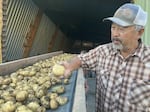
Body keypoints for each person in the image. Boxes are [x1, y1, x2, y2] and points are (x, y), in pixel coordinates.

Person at [63, 3, 150, 112]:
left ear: (139, 32)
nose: (115, 34)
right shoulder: (103, 52)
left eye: (122, 29)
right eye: (113, 27)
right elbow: (81, 59)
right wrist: (70, 67)